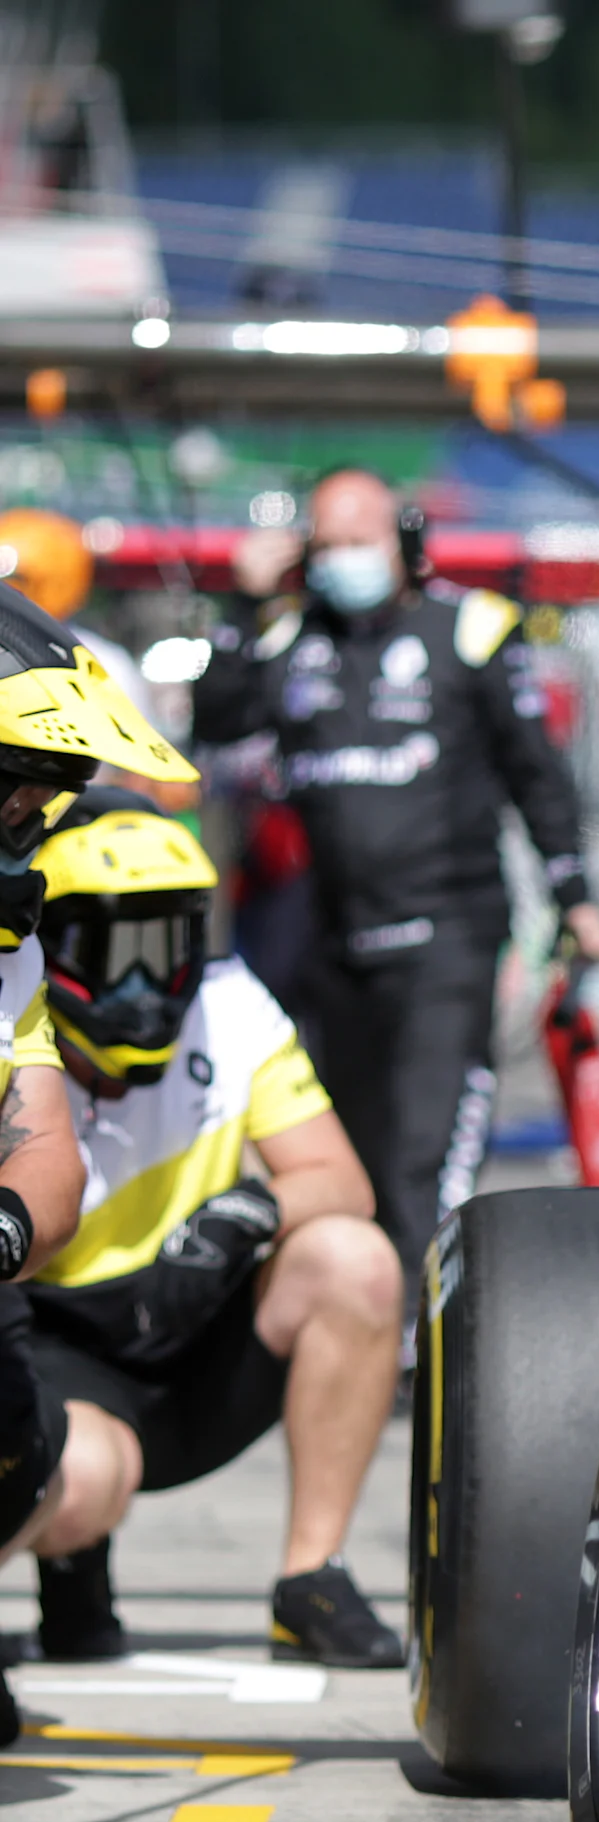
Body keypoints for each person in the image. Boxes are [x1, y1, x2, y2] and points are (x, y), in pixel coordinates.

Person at [190, 469, 599, 1315]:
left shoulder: (474, 630)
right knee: (352, 1167)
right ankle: (367, 1334)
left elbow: (538, 773)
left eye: (362, 540)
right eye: (328, 544)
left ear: (406, 542)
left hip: (447, 943)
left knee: (425, 1165)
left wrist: (574, 893)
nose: (344, 559)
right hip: (335, 951)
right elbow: (217, 721)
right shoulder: (289, 639)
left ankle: (434, 1350)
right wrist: (242, 604)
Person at [6, 796, 404, 1669]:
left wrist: (242, 1214)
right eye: (114, 952)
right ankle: (72, 1559)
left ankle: (312, 1577)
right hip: (57, 1341)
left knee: (356, 1261)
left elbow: (342, 1181)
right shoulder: (14, 1020)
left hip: (192, 1331)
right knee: (85, 1480)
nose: (144, 986)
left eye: (165, 947)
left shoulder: (229, 1005)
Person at [0, 586, 204, 1749]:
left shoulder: (10, 947)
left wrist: (4, 1228)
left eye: (46, 797)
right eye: (15, 790)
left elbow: (47, 1156)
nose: (30, 817)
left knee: (25, 1454)